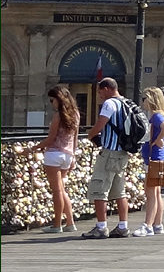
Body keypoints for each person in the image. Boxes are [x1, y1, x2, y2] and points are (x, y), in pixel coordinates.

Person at [80, 78, 135, 239]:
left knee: (99, 188)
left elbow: (100, 124)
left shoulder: (109, 104)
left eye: (99, 91)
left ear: (106, 89)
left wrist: (90, 135)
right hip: (122, 153)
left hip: (109, 152)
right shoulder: (127, 103)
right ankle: (123, 226)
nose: (99, 95)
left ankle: (101, 227)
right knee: (120, 191)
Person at [37, 84, 79, 233]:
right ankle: (70, 222)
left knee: (57, 192)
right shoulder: (75, 114)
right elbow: (75, 139)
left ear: (58, 99)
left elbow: (50, 140)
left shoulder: (57, 116)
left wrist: (32, 148)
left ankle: (57, 225)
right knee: (62, 189)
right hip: (67, 156)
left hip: (54, 155)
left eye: (52, 100)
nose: (51, 103)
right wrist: (73, 156)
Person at [132, 87, 164, 237]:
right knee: (156, 193)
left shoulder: (155, 116)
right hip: (159, 157)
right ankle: (157, 224)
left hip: (153, 158)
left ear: (151, 100)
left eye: (145, 99)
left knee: (151, 193)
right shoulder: (160, 114)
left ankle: (147, 225)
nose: (143, 102)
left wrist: (158, 139)